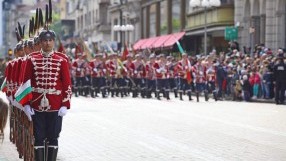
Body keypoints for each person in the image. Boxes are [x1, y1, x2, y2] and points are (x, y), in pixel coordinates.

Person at [17, 29, 72, 161]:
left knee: (53, 136)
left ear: (53, 41)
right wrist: (25, 104)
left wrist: (65, 104)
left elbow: (67, 84)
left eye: (50, 40)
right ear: (40, 42)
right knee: (39, 137)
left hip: (56, 105)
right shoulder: (32, 59)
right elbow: (26, 82)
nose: (47, 43)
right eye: (45, 41)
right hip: (36, 105)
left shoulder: (62, 60)